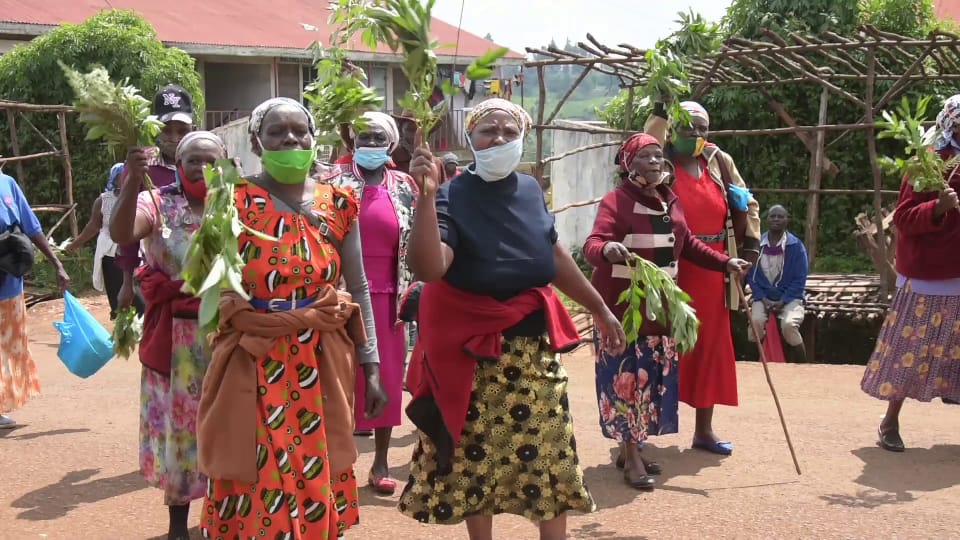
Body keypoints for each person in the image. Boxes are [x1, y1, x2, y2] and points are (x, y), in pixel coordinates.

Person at [398, 98, 626, 540]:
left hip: (532, 356)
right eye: (488, 131)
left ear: (521, 138)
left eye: (508, 132)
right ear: (471, 139)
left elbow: (553, 253)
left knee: (548, 456)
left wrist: (598, 306)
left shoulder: (528, 189)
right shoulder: (451, 195)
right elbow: (430, 268)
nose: (498, 139)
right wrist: (426, 198)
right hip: (472, 355)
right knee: (475, 464)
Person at [198, 97, 387, 539]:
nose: (290, 139)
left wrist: (371, 364)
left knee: (317, 461)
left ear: (312, 137)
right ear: (256, 142)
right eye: (277, 131)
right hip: (254, 356)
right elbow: (212, 287)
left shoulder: (339, 202)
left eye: (299, 131)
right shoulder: (230, 201)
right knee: (255, 467)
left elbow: (357, 288)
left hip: (321, 360)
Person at [584, 133, 750, 490]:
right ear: (628, 164)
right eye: (645, 157)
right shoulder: (617, 201)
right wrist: (608, 248)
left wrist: (726, 263)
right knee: (624, 380)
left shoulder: (669, 200)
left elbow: (687, 244)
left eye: (659, 156)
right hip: (622, 309)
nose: (655, 163)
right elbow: (593, 243)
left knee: (647, 381)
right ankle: (631, 459)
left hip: (659, 310)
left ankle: (632, 450)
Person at [109, 131, 226, 540]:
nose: (201, 167)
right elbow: (123, 233)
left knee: (225, 426)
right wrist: (129, 183)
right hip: (175, 337)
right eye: (192, 159)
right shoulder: (156, 200)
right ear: (177, 163)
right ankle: (178, 524)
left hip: (226, 334)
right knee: (181, 432)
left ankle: (221, 515)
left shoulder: (237, 204)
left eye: (211, 160)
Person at [645, 100, 761, 455]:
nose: (694, 134)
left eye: (701, 128)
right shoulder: (658, 163)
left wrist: (749, 250)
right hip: (669, 268)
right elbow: (646, 140)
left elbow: (748, 203)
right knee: (660, 347)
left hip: (715, 268)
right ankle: (637, 439)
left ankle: (704, 431)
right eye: (686, 126)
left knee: (708, 346)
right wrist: (662, 111)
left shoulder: (718, 161)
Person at [861, 95, 960, 452]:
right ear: (950, 124)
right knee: (911, 348)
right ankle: (890, 421)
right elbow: (903, 218)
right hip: (928, 274)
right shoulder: (926, 162)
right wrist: (938, 207)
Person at [331, 111, 417, 495]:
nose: (370, 143)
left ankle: (381, 462)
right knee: (340, 377)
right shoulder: (332, 180)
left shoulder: (404, 185)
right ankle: (338, 464)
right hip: (341, 294)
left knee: (383, 379)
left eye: (378, 137)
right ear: (351, 141)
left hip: (389, 298)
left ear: (392, 142)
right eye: (363, 137)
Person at [114, 84, 195, 313]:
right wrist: (127, 282)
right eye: (166, 130)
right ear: (154, 129)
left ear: (193, 127)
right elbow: (128, 231)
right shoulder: (141, 165)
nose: (174, 138)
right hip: (158, 279)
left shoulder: (204, 160)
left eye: (182, 131)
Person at [0, 172, 70, 429]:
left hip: (9, 282)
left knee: (10, 346)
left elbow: (32, 228)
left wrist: (57, 264)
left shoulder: (7, 183)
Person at [65, 163, 144, 319]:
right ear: (115, 179)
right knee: (117, 293)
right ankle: (123, 330)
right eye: (124, 176)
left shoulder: (141, 197)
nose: (127, 179)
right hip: (110, 254)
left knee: (139, 294)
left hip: (136, 253)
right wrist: (75, 244)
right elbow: (93, 226)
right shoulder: (104, 201)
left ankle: (142, 325)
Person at [747, 205, 808, 362]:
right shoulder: (757, 245)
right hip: (763, 297)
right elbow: (751, 276)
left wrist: (784, 300)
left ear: (787, 220)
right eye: (772, 216)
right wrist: (762, 297)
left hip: (790, 297)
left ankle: (803, 366)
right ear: (766, 220)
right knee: (756, 323)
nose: (776, 219)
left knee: (788, 325)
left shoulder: (796, 247)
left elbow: (800, 279)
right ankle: (755, 364)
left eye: (780, 216)